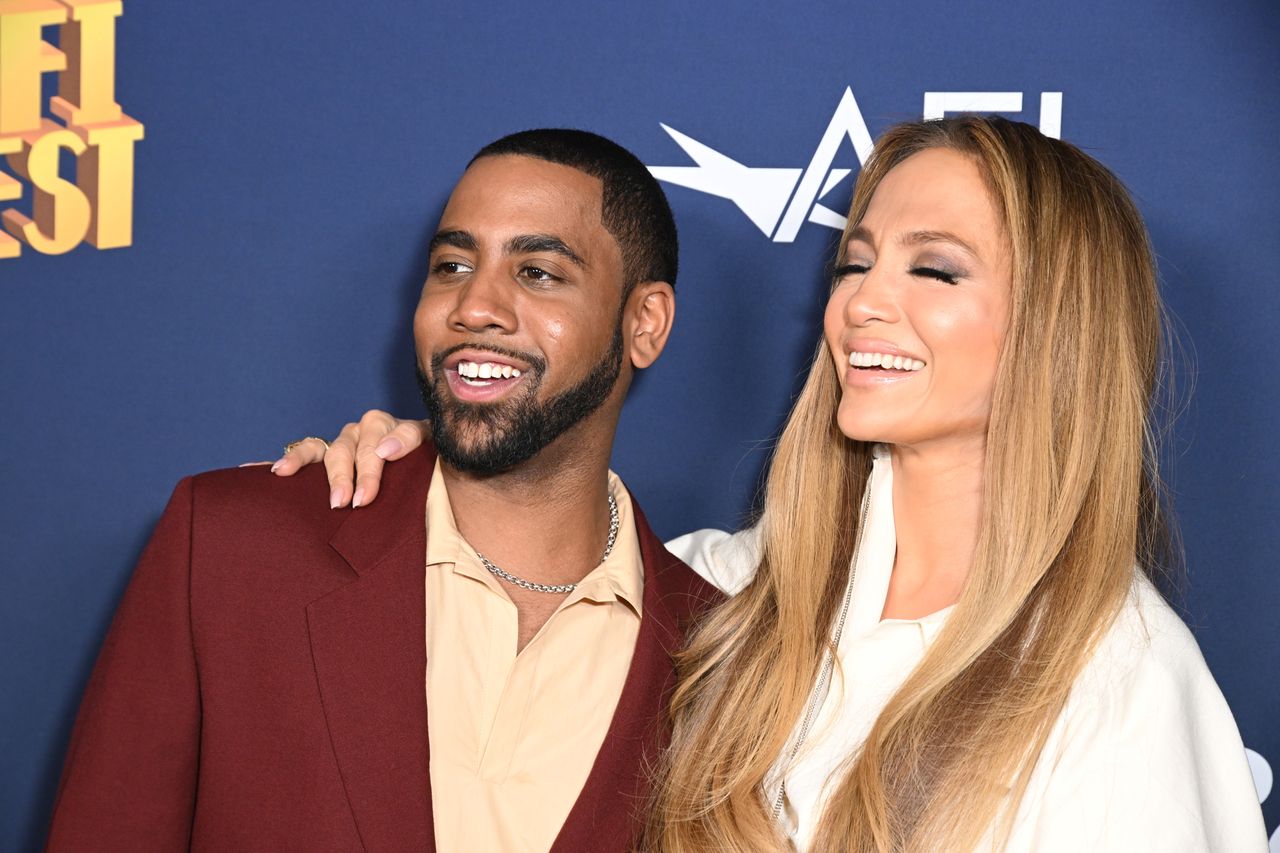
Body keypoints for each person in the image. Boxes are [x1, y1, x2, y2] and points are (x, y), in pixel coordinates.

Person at [281, 117, 1268, 851]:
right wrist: (424, 461)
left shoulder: (1119, 679)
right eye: (856, 261)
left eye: (933, 271)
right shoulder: (725, 593)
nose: (865, 303)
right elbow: (520, 563)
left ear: (1056, 326)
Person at [46, 129, 720, 853]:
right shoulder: (229, 549)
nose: (474, 307)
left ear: (644, 323)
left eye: (538, 273)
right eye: (452, 264)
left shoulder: (724, 656)